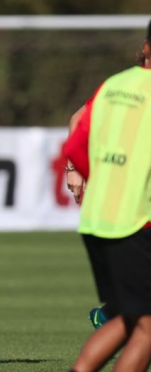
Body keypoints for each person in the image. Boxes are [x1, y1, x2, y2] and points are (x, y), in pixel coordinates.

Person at [63, 20, 151, 372]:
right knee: (146, 327)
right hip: (135, 220)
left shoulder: (113, 85)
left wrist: (94, 178)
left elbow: (76, 142)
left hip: (98, 217)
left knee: (130, 318)